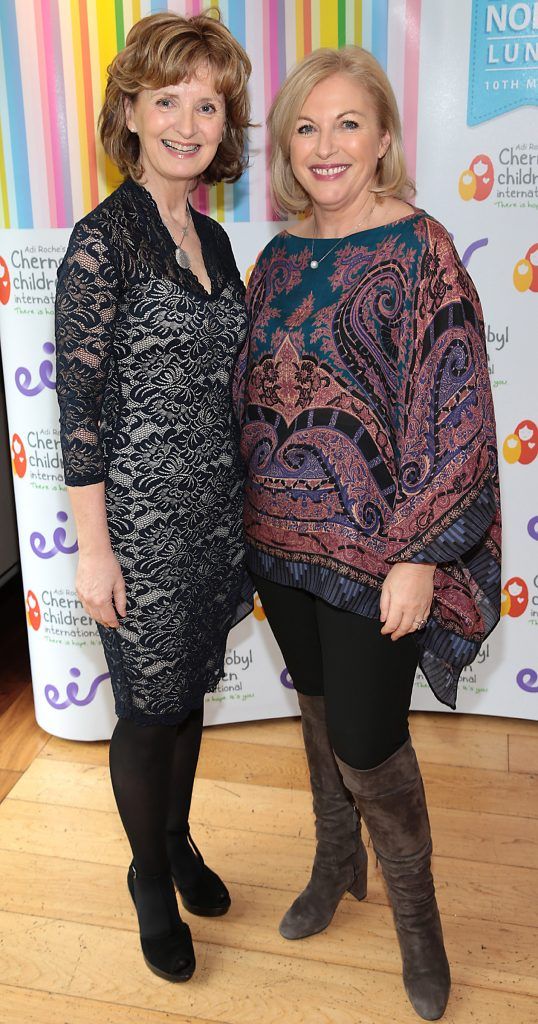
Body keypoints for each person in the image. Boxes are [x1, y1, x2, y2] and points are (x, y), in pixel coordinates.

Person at [235, 46, 501, 1021]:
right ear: (285, 149)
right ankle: (333, 861)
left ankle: (419, 931)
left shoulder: (421, 252)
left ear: (384, 137)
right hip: (280, 542)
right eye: (305, 126)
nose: (326, 144)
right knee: (313, 710)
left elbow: (455, 414)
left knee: (367, 738)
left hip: (378, 556)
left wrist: (421, 554)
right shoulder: (277, 257)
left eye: (347, 122)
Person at [55, 12, 252, 983]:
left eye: (206, 102)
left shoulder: (214, 237)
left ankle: (176, 840)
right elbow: (79, 409)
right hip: (136, 531)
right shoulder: (103, 244)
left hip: (216, 524)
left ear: (226, 121)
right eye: (166, 98)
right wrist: (94, 550)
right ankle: (146, 875)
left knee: (187, 703)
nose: (186, 120)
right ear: (129, 110)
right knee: (147, 710)